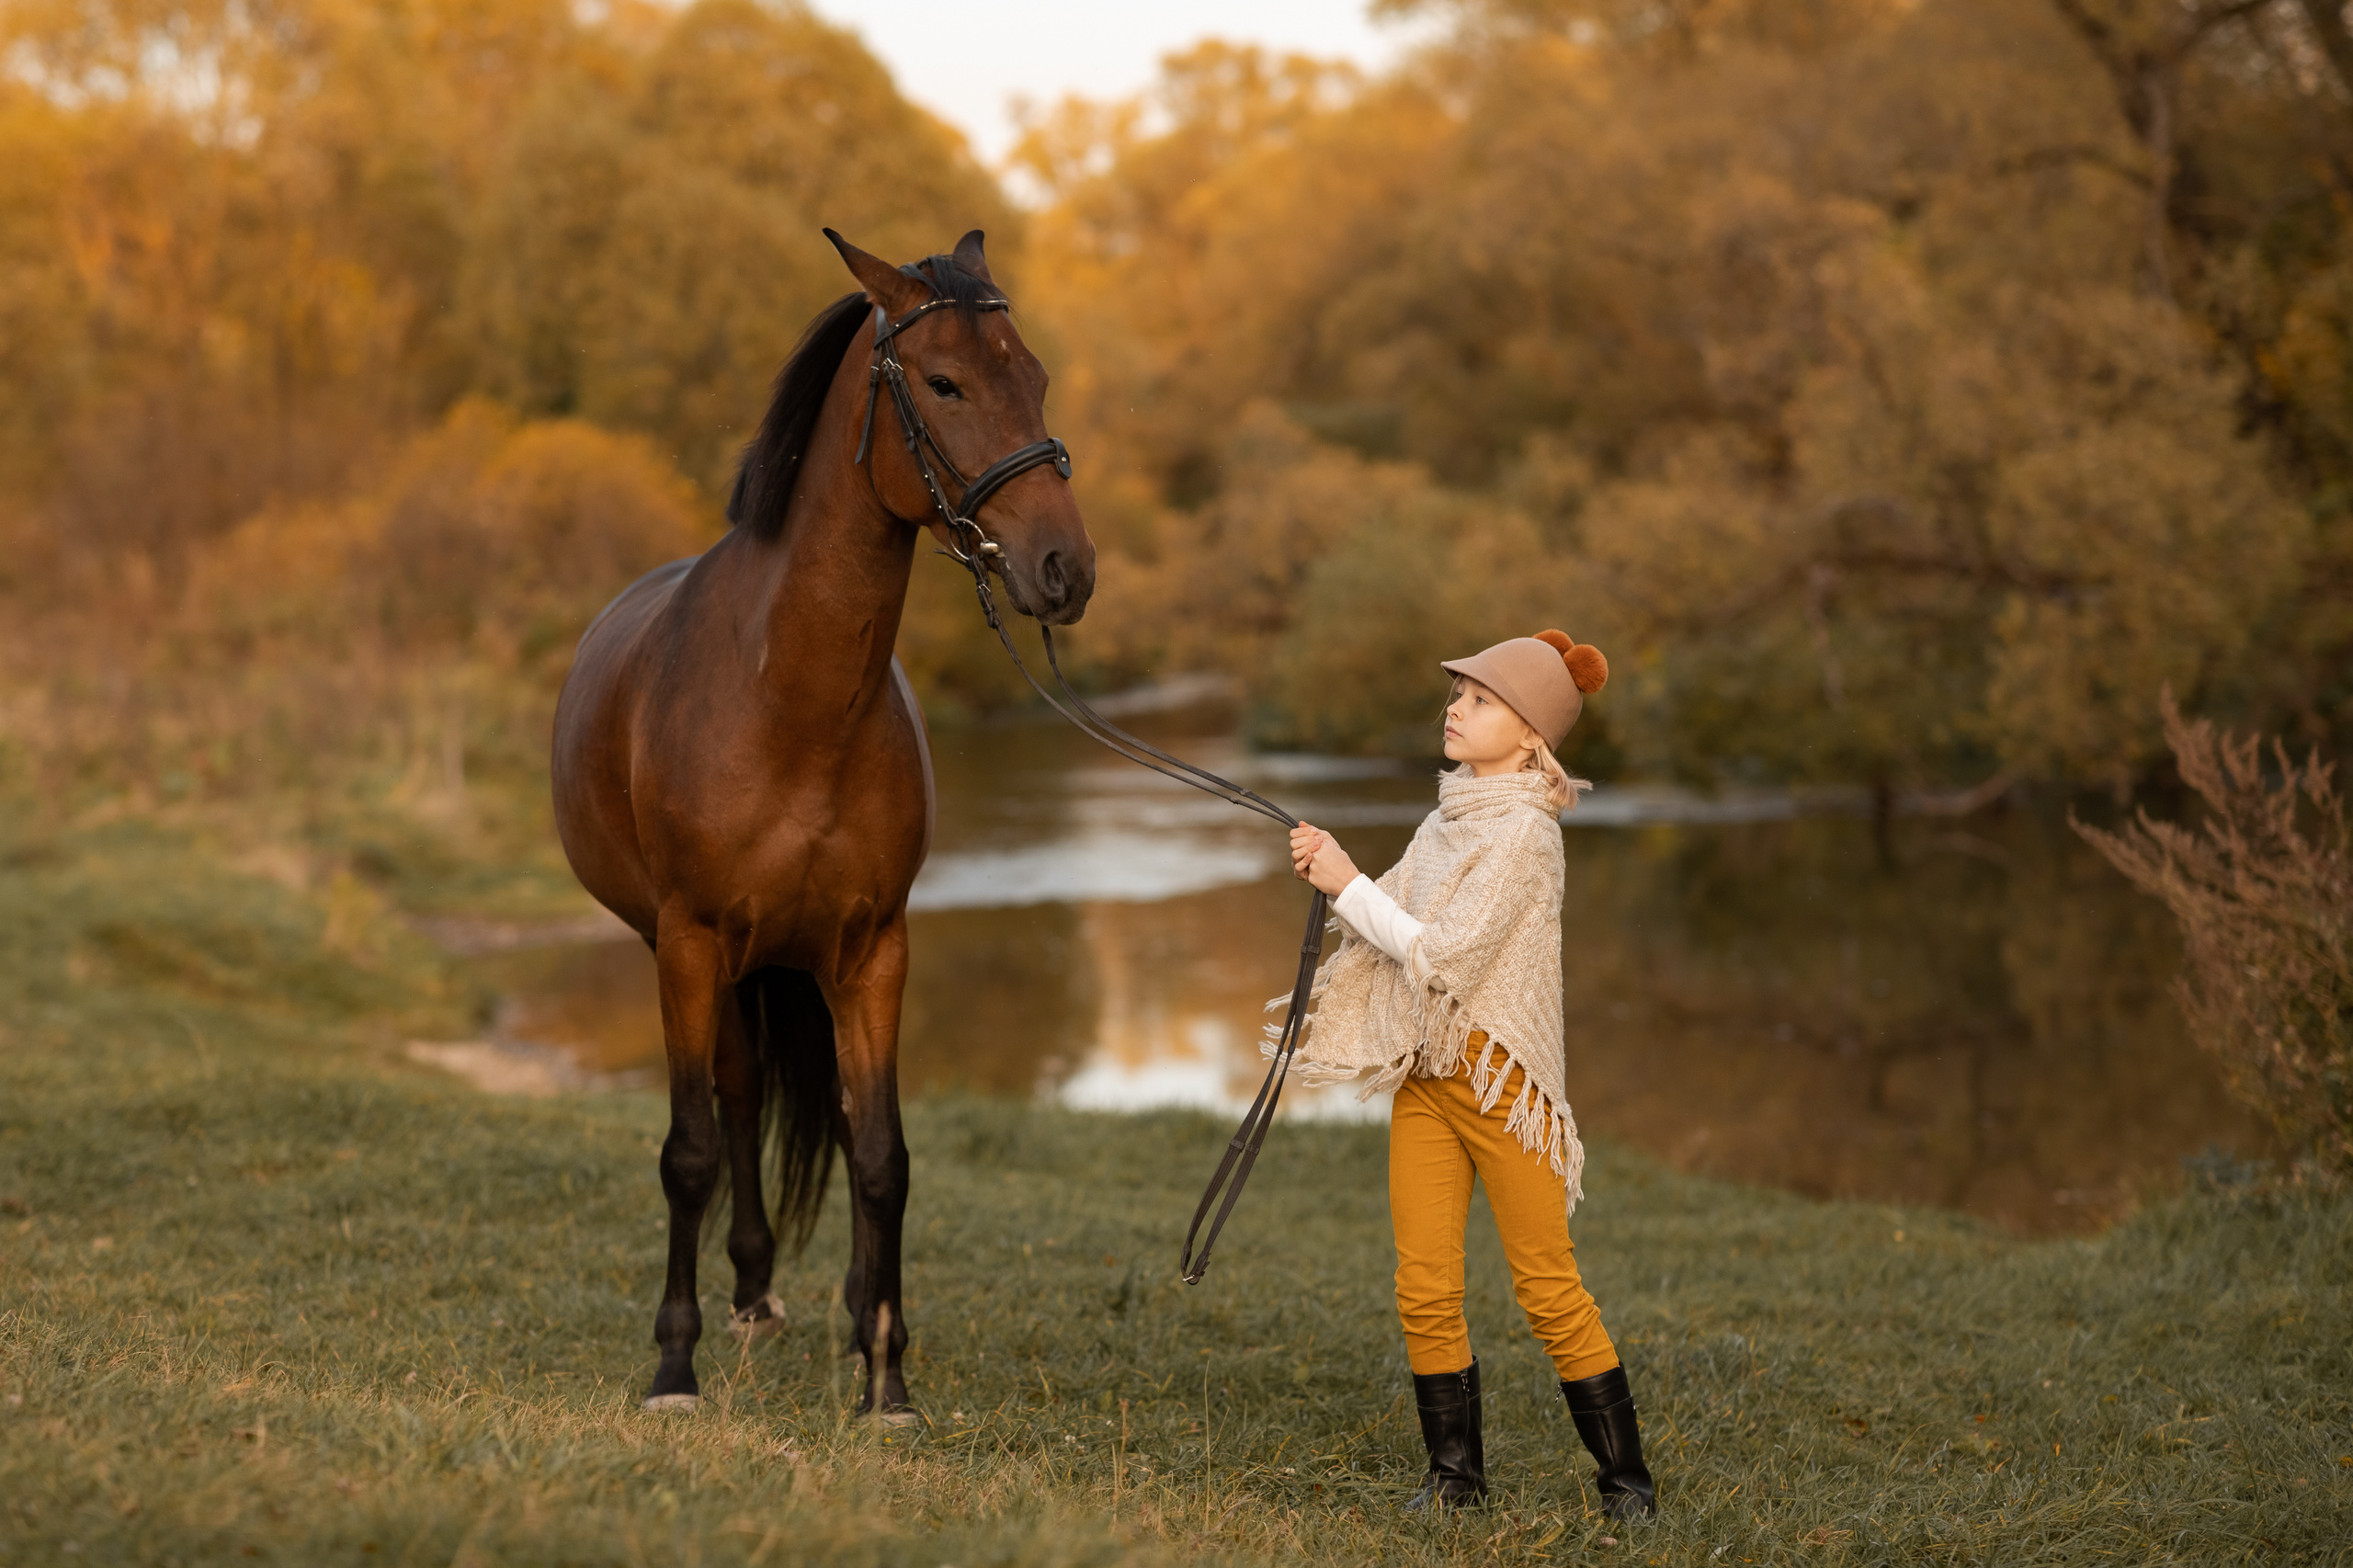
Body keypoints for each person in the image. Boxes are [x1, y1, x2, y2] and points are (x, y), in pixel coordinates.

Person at [1286, 631, 1655, 1518]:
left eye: (1481, 700)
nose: (1456, 709)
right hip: (1431, 1078)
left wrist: (1347, 884)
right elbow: (1390, 923)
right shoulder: (1444, 819)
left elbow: (1442, 958)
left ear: (1531, 735)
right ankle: (1455, 1482)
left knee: (1549, 1289)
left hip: (1503, 1089)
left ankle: (1627, 1486)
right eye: (1457, 695)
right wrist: (1339, 880)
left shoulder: (1527, 836)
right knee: (1423, 1285)